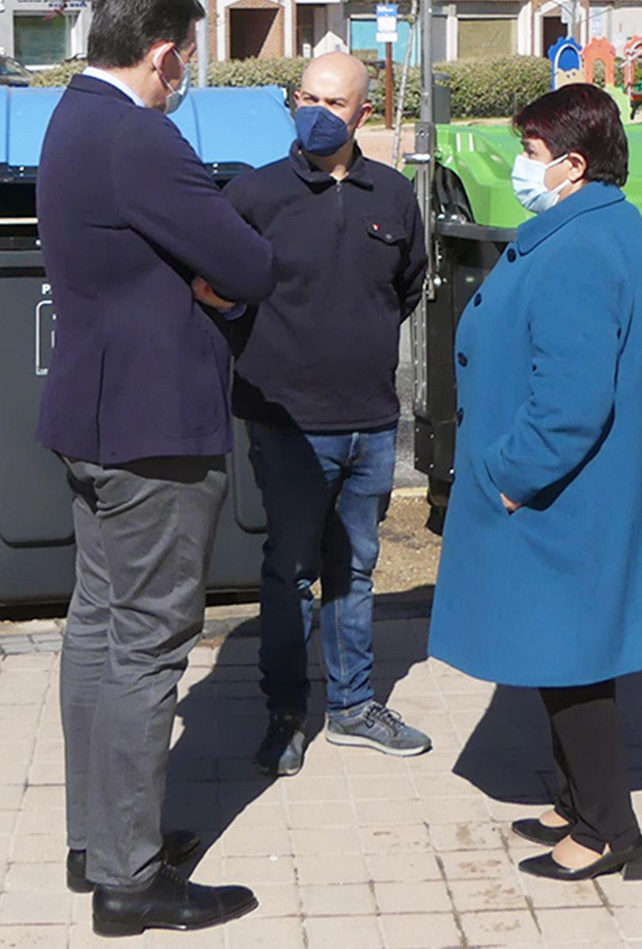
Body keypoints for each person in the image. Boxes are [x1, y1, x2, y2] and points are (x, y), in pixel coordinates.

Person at [36, 0, 275, 937]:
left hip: (94, 421)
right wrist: (213, 276)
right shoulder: (142, 136)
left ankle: (99, 838)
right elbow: (250, 263)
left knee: (96, 626)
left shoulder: (70, 119)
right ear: (166, 50)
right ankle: (130, 881)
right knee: (147, 646)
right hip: (154, 433)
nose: (187, 78)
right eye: (188, 59)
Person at [427, 83, 642, 884]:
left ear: (573, 165)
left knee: (573, 663)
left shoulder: (581, 247)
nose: (521, 166)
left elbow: (572, 400)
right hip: (573, 494)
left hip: (560, 495)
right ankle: (578, 802)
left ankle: (609, 828)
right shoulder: (594, 223)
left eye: (533, 153)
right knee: (560, 655)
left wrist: (508, 477)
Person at [221, 53, 430, 778]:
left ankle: (352, 706)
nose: (315, 111)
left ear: (362, 115)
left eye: (332, 102)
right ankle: (285, 713)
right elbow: (220, 292)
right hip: (285, 422)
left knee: (356, 569)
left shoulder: (396, 196)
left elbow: (406, 288)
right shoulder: (253, 196)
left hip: (369, 421)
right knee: (289, 570)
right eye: (305, 96)